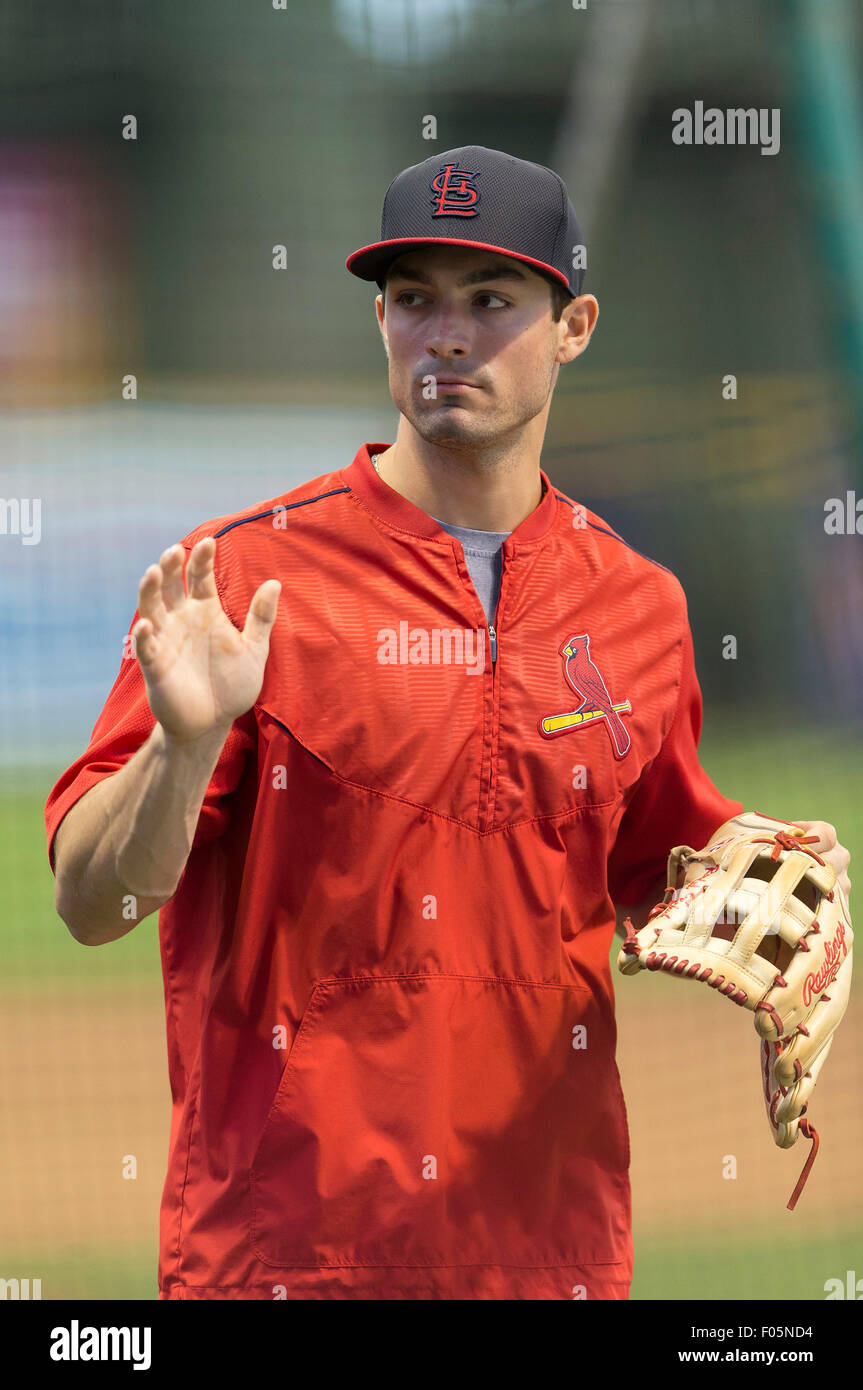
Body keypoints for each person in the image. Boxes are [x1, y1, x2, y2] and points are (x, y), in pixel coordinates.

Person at [45, 145, 850, 1301]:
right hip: (283, 1260)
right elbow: (90, 901)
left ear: (573, 326)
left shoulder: (638, 606)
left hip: (548, 1256)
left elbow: (662, 865)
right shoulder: (248, 581)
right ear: (380, 322)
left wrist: (776, 870)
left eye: (489, 299)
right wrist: (180, 748)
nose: (446, 334)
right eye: (412, 298)